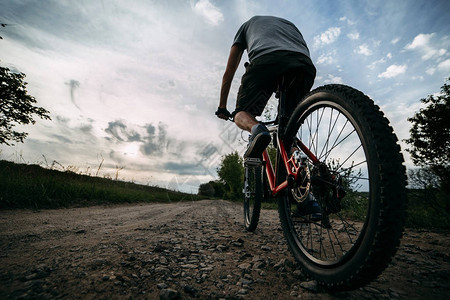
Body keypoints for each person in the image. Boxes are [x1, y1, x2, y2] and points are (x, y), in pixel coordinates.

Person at [216, 15, 316, 159]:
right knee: (287, 129)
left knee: (241, 112)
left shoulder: (246, 26)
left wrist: (222, 106)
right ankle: (298, 159)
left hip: (267, 60)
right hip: (303, 65)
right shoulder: (289, 23)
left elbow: (229, 72)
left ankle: (257, 130)